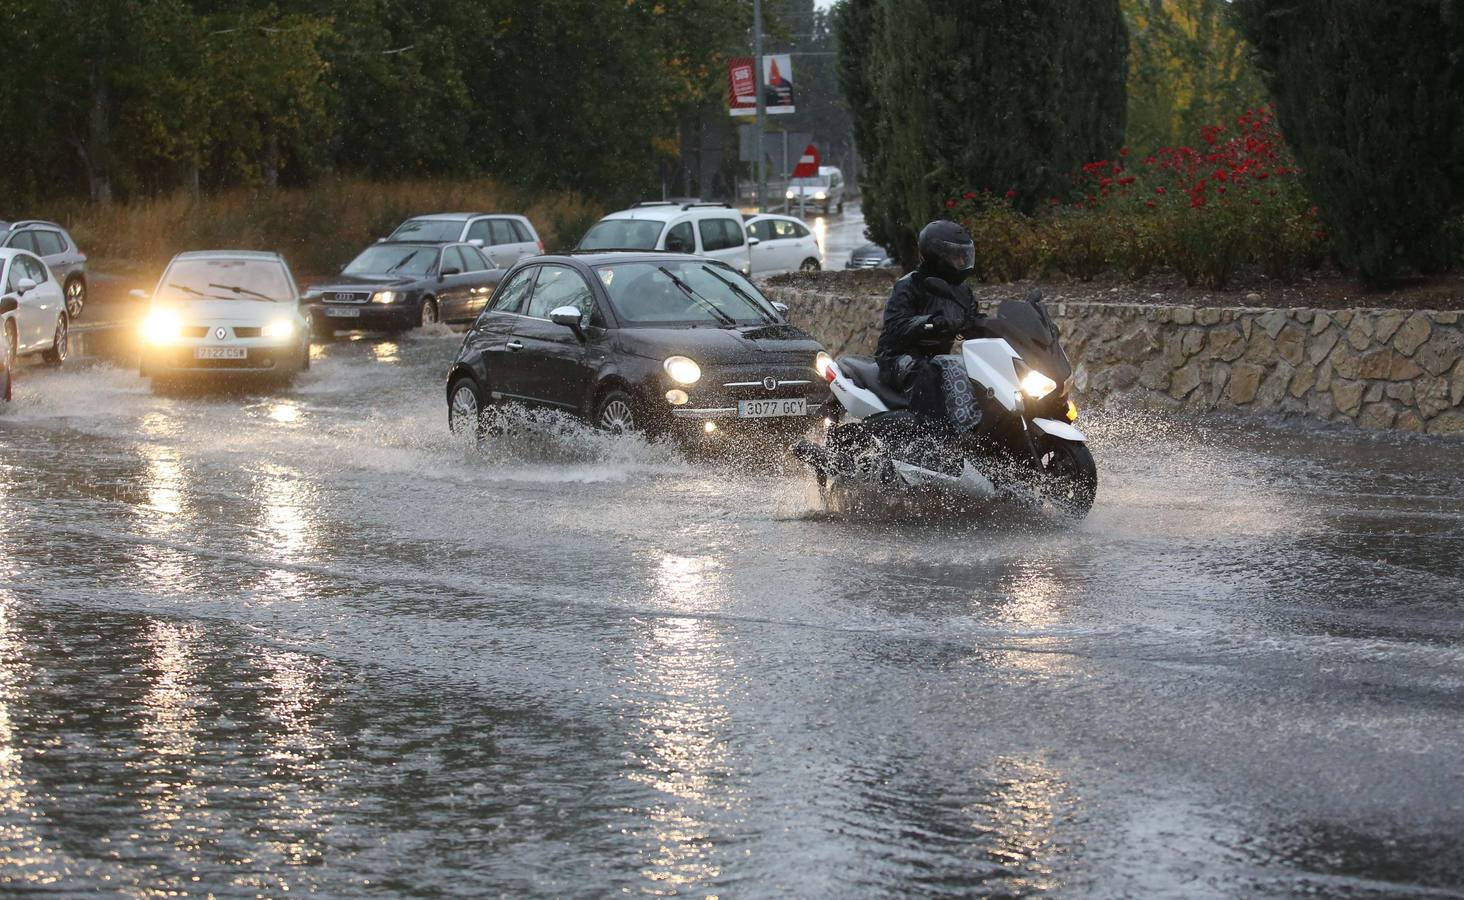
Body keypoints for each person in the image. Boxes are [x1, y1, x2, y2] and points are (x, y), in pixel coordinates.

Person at [873, 219, 987, 436]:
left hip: (937, 359)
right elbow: (896, 325)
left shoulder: (962, 291)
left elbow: (973, 317)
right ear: (937, 256)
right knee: (925, 373)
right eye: (957, 255)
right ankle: (933, 441)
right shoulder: (909, 285)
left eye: (965, 254)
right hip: (898, 358)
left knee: (971, 372)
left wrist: (994, 325)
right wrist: (927, 323)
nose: (963, 260)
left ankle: (978, 435)